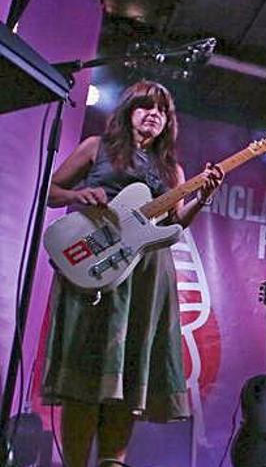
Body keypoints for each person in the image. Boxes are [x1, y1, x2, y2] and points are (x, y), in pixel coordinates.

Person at [41, 80, 224, 467]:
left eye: (162, 111)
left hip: (145, 276)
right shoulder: (96, 148)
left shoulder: (171, 169)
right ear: (128, 111)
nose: (153, 115)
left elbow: (177, 224)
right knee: (85, 374)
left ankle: (113, 462)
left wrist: (203, 196)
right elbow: (51, 190)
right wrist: (78, 196)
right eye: (145, 106)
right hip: (93, 268)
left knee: (129, 376)